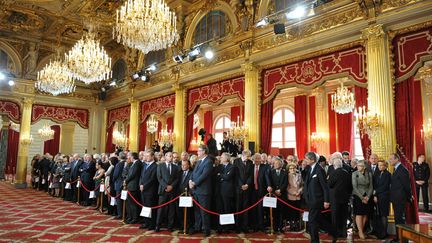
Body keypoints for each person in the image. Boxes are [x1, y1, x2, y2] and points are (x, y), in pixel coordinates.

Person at [303, 152, 336, 243]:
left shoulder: (319, 170)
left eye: (306, 159)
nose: (305, 160)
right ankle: (334, 231)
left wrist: (326, 200)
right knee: (319, 220)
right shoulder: (309, 168)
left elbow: (325, 187)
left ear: (312, 160)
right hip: (310, 199)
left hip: (317, 200)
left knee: (312, 221)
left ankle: (314, 241)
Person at [189, 145, 214, 236]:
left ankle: (206, 229)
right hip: (195, 190)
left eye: (199, 151)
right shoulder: (199, 161)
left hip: (204, 191)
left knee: (204, 211)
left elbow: (204, 175)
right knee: (197, 211)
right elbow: (193, 173)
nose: (197, 152)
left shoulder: (209, 161)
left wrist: (194, 183)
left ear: (204, 151)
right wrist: (190, 181)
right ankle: (197, 227)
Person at [389, 153, 412, 242]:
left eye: (391, 159)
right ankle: (399, 237)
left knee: (400, 219)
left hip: (400, 199)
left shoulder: (403, 170)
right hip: (396, 198)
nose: (389, 161)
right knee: (398, 218)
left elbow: (407, 186)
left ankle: (403, 239)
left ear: (397, 159)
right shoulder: (397, 169)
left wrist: (409, 196)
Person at [327, 158, 351, 238]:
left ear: (334, 166)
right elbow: (350, 186)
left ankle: (335, 233)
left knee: (335, 215)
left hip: (335, 198)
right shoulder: (346, 173)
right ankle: (343, 233)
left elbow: (330, 185)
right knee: (344, 216)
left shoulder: (333, 173)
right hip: (345, 197)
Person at [155, 152, 179, 232]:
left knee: (171, 209)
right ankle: (158, 225)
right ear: (165, 157)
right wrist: (166, 186)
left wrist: (171, 186)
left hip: (172, 191)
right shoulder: (160, 166)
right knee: (161, 209)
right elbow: (159, 178)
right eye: (170, 156)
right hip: (163, 190)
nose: (171, 157)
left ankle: (170, 226)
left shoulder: (175, 167)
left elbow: (177, 179)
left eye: (172, 156)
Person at [233, 150, 254, 233]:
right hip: (238, 188)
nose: (249, 157)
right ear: (243, 155)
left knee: (246, 208)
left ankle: (245, 226)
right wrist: (241, 185)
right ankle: (237, 226)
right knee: (238, 207)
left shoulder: (250, 163)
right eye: (248, 156)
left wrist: (247, 185)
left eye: (249, 156)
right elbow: (236, 175)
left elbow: (251, 175)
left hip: (247, 188)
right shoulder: (236, 161)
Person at [352, 160, 373, 239]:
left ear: (364, 167)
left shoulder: (369, 174)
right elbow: (355, 187)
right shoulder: (354, 174)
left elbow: (371, 186)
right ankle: (360, 231)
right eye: (357, 165)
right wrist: (362, 197)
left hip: (367, 196)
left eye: (360, 165)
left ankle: (361, 230)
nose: (358, 167)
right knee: (359, 213)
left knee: (365, 214)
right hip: (358, 196)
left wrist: (368, 196)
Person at [250, 153, 270, 232]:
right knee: (254, 209)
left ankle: (261, 225)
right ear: (253, 160)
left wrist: (269, 186)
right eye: (256, 159)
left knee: (261, 209)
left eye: (259, 159)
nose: (257, 160)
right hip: (252, 191)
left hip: (261, 191)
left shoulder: (264, 167)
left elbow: (267, 177)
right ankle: (255, 226)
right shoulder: (251, 167)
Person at [139, 149, 158, 230]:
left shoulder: (155, 166)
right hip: (143, 189)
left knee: (150, 207)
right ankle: (146, 223)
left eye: (147, 156)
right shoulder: (144, 165)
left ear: (152, 156)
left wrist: (144, 186)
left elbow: (152, 179)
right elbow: (141, 176)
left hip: (150, 190)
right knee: (144, 207)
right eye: (145, 156)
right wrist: (140, 184)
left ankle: (151, 224)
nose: (146, 157)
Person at [267, 157, 288, 233]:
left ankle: (281, 227)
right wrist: (274, 190)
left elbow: (286, 183)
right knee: (274, 212)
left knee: (282, 212)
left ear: (281, 164)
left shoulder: (285, 172)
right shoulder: (271, 172)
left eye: (278, 163)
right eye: (275, 163)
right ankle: (275, 228)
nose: (276, 165)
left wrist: (280, 190)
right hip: (274, 195)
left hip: (282, 194)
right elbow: (270, 182)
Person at [373, 160, 391, 239]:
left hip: (384, 197)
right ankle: (379, 232)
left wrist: (375, 192)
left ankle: (384, 233)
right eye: (379, 165)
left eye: (381, 165)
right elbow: (375, 185)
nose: (380, 167)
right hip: (377, 197)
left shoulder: (388, 174)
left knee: (384, 215)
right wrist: (375, 195)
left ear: (385, 166)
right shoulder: (377, 174)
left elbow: (385, 186)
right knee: (379, 215)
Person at [125, 152, 142, 224]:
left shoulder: (137, 163)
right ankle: (131, 217)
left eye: (130, 157)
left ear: (133, 157)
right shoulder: (134, 163)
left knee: (133, 204)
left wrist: (125, 180)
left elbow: (132, 174)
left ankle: (135, 218)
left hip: (133, 186)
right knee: (130, 203)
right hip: (130, 186)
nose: (129, 158)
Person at [286, 162, 303, 232]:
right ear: (288, 169)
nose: (292, 169)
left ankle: (297, 225)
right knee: (291, 212)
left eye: (294, 168)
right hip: (291, 196)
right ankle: (292, 225)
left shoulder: (299, 175)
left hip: (298, 196)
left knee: (297, 211)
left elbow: (302, 185)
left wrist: (299, 191)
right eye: (291, 168)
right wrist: (293, 193)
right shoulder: (287, 176)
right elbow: (286, 187)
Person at [177, 158, 193, 232]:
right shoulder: (179, 173)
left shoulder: (192, 173)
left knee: (188, 213)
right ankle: (182, 226)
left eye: (184, 165)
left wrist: (190, 194)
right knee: (180, 212)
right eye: (182, 165)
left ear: (188, 165)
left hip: (187, 196)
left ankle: (188, 227)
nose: (182, 166)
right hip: (179, 195)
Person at [113, 152, 126, 219]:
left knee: (119, 199)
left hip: (118, 183)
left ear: (119, 157)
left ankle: (120, 214)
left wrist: (113, 180)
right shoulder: (126, 163)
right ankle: (123, 213)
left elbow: (115, 174)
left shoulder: (118, 164)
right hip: (124, 184)